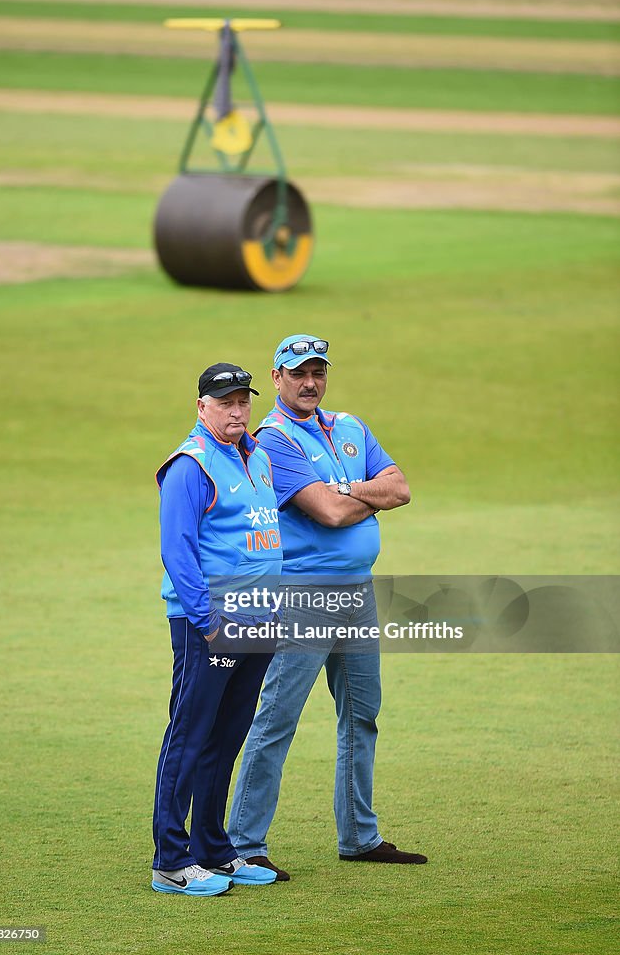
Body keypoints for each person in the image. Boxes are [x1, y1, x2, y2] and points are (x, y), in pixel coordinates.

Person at [228, 335, 427, 878]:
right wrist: (363, 493)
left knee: (363, 715)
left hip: (357, 593)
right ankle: (243, 843)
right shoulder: (270, 438)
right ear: (277, 377)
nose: (309, 382)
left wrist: (348, 491)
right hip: (302, 596)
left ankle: (360, 837)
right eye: (298, 373)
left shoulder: (351, 427)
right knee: (277, 718)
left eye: (317, 371)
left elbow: (402, 487)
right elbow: (329, 514)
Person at [151, 362, 282, 897]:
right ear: (202, 406)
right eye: (224, 402)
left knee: (226, 736)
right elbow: (177, 550)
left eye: (242, 401)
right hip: (209, 625)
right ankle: (171, 861)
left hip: (259, 619)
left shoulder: (258, 456)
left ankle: (213, 849)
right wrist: (207, 622)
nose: (236, 411)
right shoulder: (191, 465)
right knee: (190, 735)